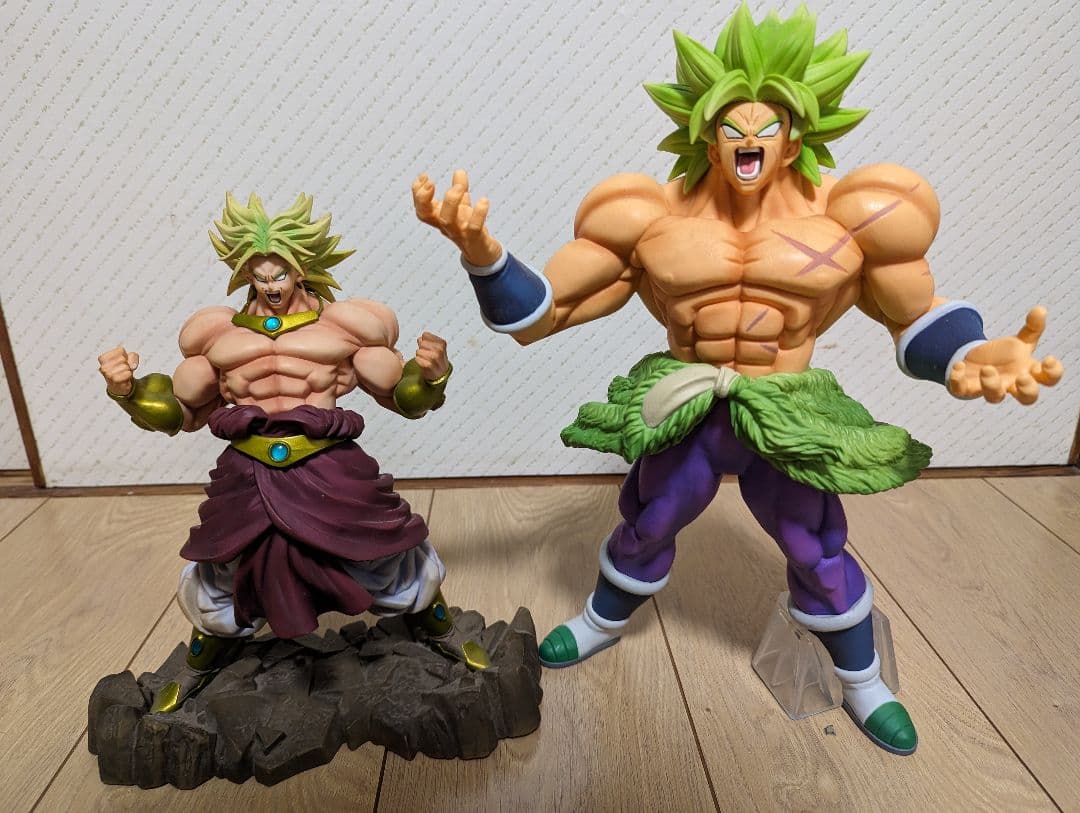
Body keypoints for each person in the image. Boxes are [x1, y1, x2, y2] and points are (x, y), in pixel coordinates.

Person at [410, 4, 1062, 755]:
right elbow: (543, 313)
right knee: (650, 517)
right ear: (704, 131)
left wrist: (969, 355)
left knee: (814, 545)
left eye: (768, 123)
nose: (749, 138)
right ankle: (600, 619)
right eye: (731, 124)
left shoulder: (853, 216)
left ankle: (863, 681)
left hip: (785, 410)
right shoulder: (645, 215)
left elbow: (912, 316)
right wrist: (484, 255)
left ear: (796, 136)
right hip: (688, 403)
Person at [99, 192, 489, 714]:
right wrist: (126, 391)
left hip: (327, 463)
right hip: (248, 468)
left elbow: (401, 395)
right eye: (258, 274)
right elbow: (180, 411)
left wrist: (433, 374)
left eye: (278, 273)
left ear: (301, 268)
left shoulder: (347, 327)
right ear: (244, 273)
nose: (269, 285)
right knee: (225, 563)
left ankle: (439, 631)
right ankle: (200, 663)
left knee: (386, 544)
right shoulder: (214, 334)